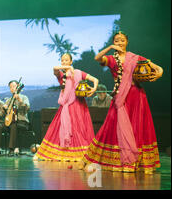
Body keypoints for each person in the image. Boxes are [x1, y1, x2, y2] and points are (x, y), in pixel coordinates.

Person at [81, 32, 163, 173]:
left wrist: (157, 74)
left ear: (127, 42)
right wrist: (110, 47)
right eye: (117, 40)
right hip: (120, 98)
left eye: (122, 40)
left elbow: (158, 68)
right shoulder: (112, 59)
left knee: (137, 127)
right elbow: (97, 58)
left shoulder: (135, 58)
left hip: (137, 97)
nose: (120, 42)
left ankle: (136, 162)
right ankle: (120, 160)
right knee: (111, 127)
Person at [34, 53, 99, 162]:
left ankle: (80, 154)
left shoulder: (78, 73)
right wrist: (68, 68)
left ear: (71, 61)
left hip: (79, 105)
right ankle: (52, 153)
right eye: (62, 60)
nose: (64, 62)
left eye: (66, 60)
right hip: (66, 107)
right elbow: (54, 68)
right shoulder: (60, 75)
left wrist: (94, 89)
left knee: (79, 130)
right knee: (57, 130)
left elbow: (95, 80)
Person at [0, 81, 30, 156]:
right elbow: (3, 114)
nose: (12, 88)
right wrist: (3, 109)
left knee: (14, 125)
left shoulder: (24, 97)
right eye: (10, 87)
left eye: (14, 86)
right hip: (9, 122)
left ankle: (11, 149)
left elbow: (27, 109)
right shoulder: (9, 100)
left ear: (18, 86)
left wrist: (20, 100)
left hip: (21, 121)